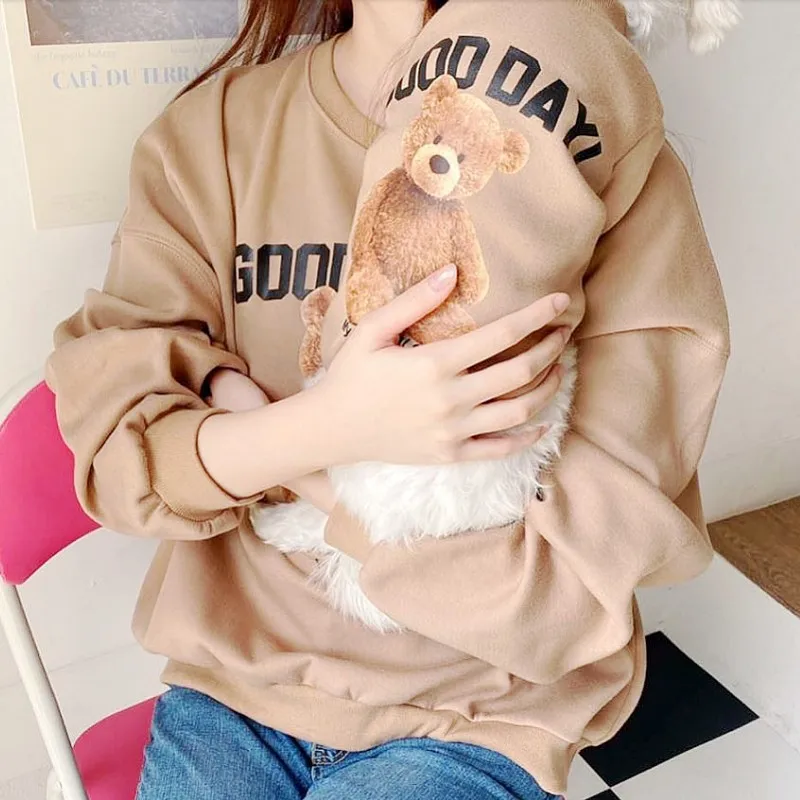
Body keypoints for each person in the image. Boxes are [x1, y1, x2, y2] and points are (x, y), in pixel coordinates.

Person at [46, 1, 730, 798]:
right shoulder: (213, 137)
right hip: (236, 694)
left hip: (482, 714)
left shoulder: (602, 148)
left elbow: (573, 587)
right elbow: (119, 454)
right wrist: (328, 425)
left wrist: (282, 445)